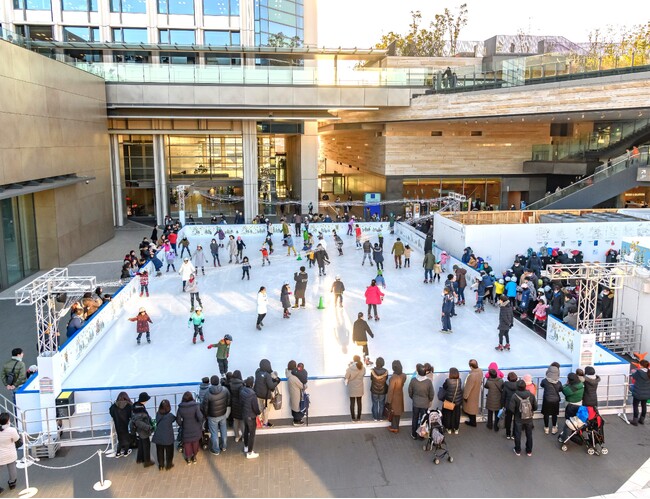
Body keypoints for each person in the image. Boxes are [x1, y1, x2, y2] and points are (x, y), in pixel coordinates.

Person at [202, 375, 230, 456]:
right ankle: (224, 446)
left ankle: (216, 449)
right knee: (223, 430)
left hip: (212, 416)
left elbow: (205, 407)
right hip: (222, 414)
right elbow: (228, 400)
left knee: (214, 433)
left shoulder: (208, 393)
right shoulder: (225, 390)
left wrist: (206, 415)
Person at [509, 379, 538, 457]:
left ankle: (518, 450)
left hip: (518, 418)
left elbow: (511, 409)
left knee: (518, 434)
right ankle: (529, 451)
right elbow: (535, 407)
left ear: (517, 387)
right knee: (529, 434)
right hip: (529, 418)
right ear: (525, 386)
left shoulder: (515, 396)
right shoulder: (531, 395)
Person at [176, 391, 204, 465]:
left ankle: (188, 459)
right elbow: (200, 417)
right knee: (195, 442)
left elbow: (178, 420)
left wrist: (182, 424)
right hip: (196, 428)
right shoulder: (195, 406)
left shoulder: (180, 408)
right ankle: (194, 457)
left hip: (186, 429)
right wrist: (199, 423)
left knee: (187, 444)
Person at [408, 364, 434, 440]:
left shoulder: (413, 380)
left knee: (415, 418)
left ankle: (414, 434)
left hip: (416, 403)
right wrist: (429, 400)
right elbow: (431, 394)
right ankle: (422, 435)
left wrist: (413, 398)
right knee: (423, 420)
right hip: (425, 404)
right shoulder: (428, 382)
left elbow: (410, 391)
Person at [254, 359, 281, 427]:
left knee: (259, 409)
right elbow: (271, 386)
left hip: (257, 394)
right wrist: (277, 381)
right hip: (266, 396)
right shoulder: (267, 375)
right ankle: (265, 423)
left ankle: (259, 422)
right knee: (266, 410)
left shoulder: (257, 372)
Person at [131, 392, 154, 467]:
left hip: (140, 430)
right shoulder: (140, 409)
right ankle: (147, 461)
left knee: (141, 444)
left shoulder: (137, 406)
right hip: (143, 430)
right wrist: (148, 427)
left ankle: (139, 459)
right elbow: (139, 422)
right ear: (144, 400)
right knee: (146, 445)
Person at [240, 376, 261, 459]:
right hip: (251, 416)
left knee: (246, 431)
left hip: (244, 414)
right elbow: (255, 407)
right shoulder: (252, 395)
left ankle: (245, 446)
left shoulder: (242, 391)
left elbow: (241, 403)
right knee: (252, 434)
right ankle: (250, 452)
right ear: (252, 384)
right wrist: (258, 413)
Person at [152, 399, 176, 470]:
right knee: (169, 452)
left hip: (158, 436)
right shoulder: (170, 416)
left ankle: (161, 465)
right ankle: (169, 464)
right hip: (168, 437)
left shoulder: (157, 414)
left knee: (159, 451)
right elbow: (174, 419)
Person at [540, 364, 563, 435]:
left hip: (547, 400)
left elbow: (541, 385)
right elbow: (560, 389)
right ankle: (554, 428)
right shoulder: (559, 382)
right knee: (554, 414)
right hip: (555, 400)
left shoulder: (544, 381)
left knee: (546, 414)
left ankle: (546, 428)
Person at [0, 412, 20, 492]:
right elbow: (17, 439)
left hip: (0, 455)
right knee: (12, 469)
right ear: (8, 420)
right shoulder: (12, 430)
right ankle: (12, 484)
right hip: (11, 454)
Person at [109, 392, 133, 458]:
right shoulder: (128, 405)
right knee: (126, 437)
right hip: (125, 423)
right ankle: (125, 452)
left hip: (117, 423)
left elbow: (111, 412)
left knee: (120, 437)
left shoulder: (114, 406)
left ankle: (118, 453)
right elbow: (131, 414)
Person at [440, 368, 463, 434]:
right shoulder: (459, 380)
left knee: (448, 415)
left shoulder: (448, 381)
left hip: (449, 401)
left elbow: (444, 387)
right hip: (457, 402)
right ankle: (456, 429)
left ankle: (449, 428)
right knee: (456, 415)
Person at [386, 360, 406, 433]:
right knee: (398, 412)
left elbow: (390, 390)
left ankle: (394, 427)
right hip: (400, 395)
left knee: (393, 411)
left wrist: (388, 400)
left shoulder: (393, 377)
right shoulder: (403, 375)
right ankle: (396, 426)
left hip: (394, 397)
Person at [345, 355, 366, 422]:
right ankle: (359, 418)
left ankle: (353, 418)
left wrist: (349, 366)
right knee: (359, 403)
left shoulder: (350, 368)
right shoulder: (362, 368)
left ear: (353, 360)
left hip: (352, 388)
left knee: (352, 403)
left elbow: (346, 376)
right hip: (360, 388)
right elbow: (364, 374)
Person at [463, 359, 483, 427]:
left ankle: (472, 422)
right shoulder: (480, 371)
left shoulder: (472, 375)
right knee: (474, 406)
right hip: (476, 391)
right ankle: (473, 421)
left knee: (470, 407)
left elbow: (468, 387)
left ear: (471, 366)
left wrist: (465, 396)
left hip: (471, 393)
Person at [286, 360, 307, 426]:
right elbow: (302, 386)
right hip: (296, 394)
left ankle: (296, 420)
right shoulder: (293, 377)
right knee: (297, 408)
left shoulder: (288, 373)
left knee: (294, 406)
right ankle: (297, 421)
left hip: (292, 393)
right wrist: (305, 385)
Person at [630, 359, 650, 426]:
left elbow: (634, 376)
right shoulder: (649, 372)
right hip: (647, 393)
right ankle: (642, 419)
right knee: (644, 405)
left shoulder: (639, 372)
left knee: (635, 405)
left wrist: (633, 372)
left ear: (641, 365)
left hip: (638, 392)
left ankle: (635, 420)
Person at [370, 357, 388, 421]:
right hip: (382, 390)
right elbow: (386, 379)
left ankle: (375, 417)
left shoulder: (373, 371)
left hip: (374, 390)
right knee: (381, 404)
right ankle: (380, 417)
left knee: (375, 404)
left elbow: (371, 379)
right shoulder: (385, 371)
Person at [229, 370, 245, 442]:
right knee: (242, 421)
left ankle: (236, 436)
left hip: (234, 403)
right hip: (240, 404)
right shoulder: (242, 384)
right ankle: (244, 436)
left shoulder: (230, 383)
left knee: (235, 420)